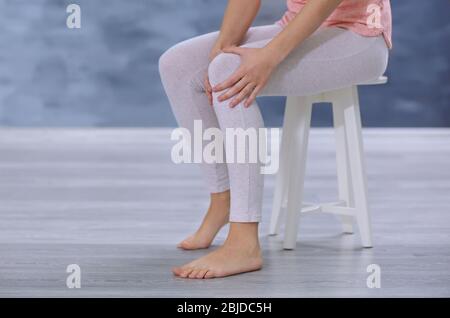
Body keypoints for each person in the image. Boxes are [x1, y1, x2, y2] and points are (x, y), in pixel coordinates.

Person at [159, 0, 392, 279]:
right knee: (178, 65)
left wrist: (269, 56)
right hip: (295, 24)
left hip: (358, 36)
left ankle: (244, 240)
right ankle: (223, 200)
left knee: (229, 69)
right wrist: (220, 47)